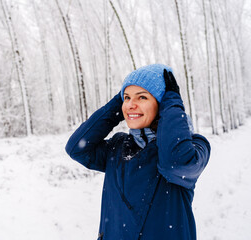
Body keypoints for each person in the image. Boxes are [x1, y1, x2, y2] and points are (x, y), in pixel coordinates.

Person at [65, 64, 211, 240]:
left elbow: (175, 164)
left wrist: (172, 101)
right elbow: (77, 149)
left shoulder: (194, 147)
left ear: (162, 104)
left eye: (142, 97)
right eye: (126, 97)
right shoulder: (117, 146)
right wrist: (116, 107)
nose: (131, 105)